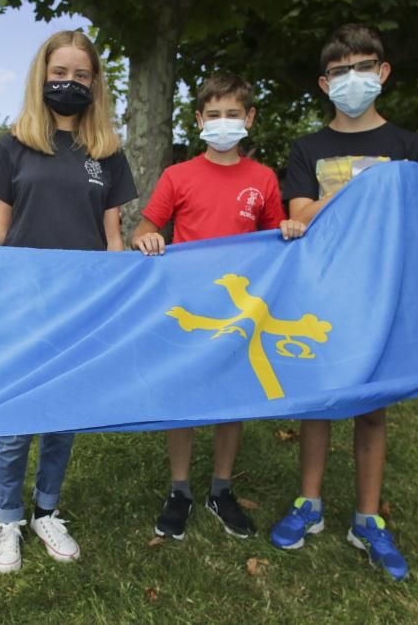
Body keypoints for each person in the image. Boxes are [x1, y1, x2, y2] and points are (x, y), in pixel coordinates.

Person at [274, 24, 418, 581]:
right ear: (325, 83)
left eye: (364, 67)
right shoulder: (308, 149)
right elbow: (298, 217)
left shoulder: (408, 148)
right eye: (341, 71)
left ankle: (367, 518)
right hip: (323, 298)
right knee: (318, 403)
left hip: (384, 300)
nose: (354, 79)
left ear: (384, 72)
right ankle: (310, 503)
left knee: (373, 408)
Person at [0, 30, 137, 574]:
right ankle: (6, 517)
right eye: (61, 73)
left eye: (81, 75)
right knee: (18, 414)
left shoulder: (106, 152)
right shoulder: (15, 144)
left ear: (95, 82)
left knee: (63, 414)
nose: (69, 83)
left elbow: (113, 238)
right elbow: (0, 226)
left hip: (81, 304)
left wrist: (120, 287)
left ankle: (46, 511)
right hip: (24, 302)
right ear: (42, 75)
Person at [131, 73, 306, 541]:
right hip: (188, 303)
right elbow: (144, 228)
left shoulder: (264, 178)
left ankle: (221, 488)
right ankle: (180, 490)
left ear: (249, 119)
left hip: (241, 310)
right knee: (183, 400)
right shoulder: (178, 175)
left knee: (232, 400)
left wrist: (288, 229)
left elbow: (275, 238)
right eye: (214, 115)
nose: (223, 122)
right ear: (198, 120)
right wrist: (148, 237)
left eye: (233, 114)